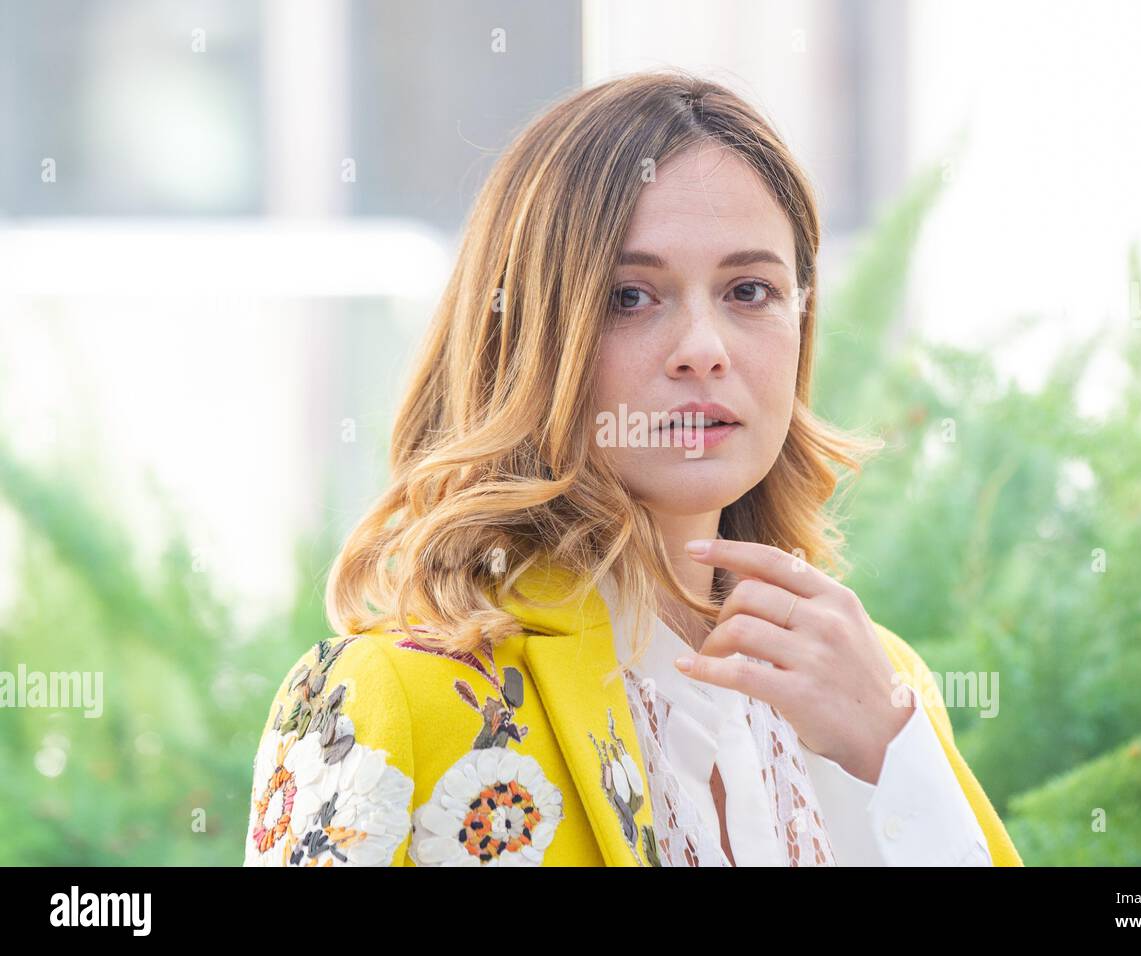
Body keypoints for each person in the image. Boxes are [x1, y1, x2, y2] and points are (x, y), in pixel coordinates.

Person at [242, 69, 1023, 867]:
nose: (703, 351)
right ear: (525, 334)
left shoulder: (881, 686)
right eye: (630, 297)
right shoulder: (386, 696)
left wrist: (894, 764)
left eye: (749, 290)